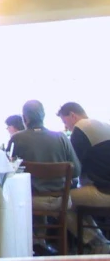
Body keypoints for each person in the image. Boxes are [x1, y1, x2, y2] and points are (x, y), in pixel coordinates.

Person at [8, 100, 109, 255]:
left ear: (25, 118)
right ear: (44, 116)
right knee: (62, 200)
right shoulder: (61, 138)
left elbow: (8, 169)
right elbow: (75, 171)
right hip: (58, 198)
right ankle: (96, 243)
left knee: (29, 194)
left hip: (30, 200)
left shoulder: (17, 139)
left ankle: (36, 243)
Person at [57, 102, 110, 247]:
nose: (65, 127)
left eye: (65, 122)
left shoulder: (82, 128)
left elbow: (72, 167)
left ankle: (98, 244)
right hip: (105, 187)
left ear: (72, 115)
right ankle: (99, 240)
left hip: (104, 192)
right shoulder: (103, 125)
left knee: (60, 202)